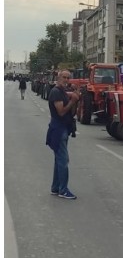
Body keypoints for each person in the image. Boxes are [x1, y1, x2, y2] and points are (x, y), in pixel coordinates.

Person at [45, 71, 79, 199]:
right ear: (58, 78)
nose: (66, 80)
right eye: (64, 77)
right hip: (58, 130)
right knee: (63, 161)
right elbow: (61, 112)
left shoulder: (63, 92)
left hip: (63, 129)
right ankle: (63, 190)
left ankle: (55, 187)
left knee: (59, 160)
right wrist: (72, 101)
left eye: (68, 78)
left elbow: (72, 112)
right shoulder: (56, 92)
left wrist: (75, 99)